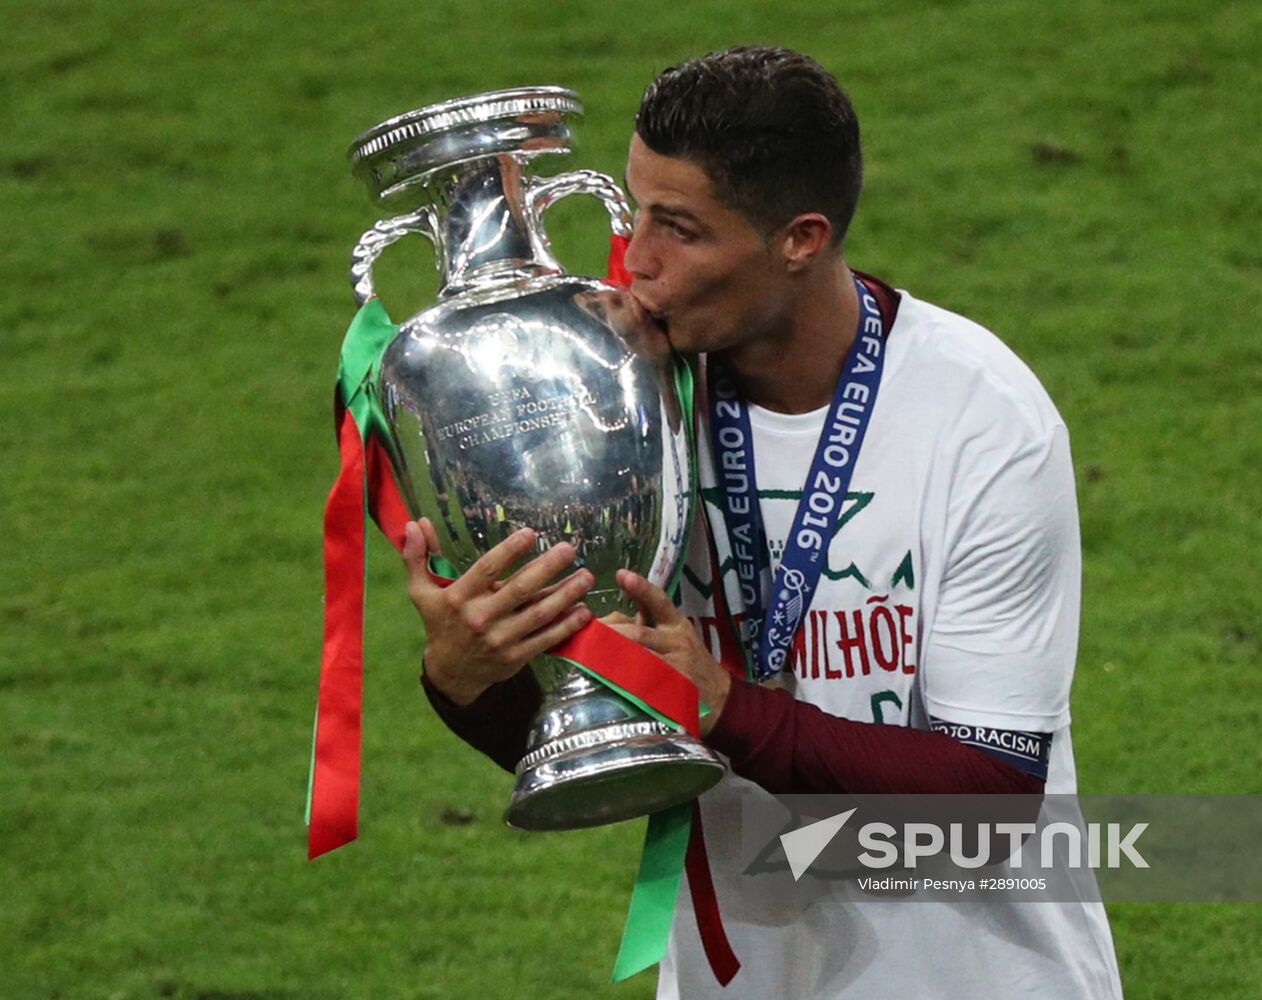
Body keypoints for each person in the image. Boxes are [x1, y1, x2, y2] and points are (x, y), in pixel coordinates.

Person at [402, 46, 1124, 999]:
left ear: (800, 238)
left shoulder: (979, 420)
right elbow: (600, 745)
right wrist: (468, 679)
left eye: (681, 229)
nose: (637, 261)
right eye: (635, 209)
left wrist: (726, 711)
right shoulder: (619, 409)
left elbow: (989, 799)